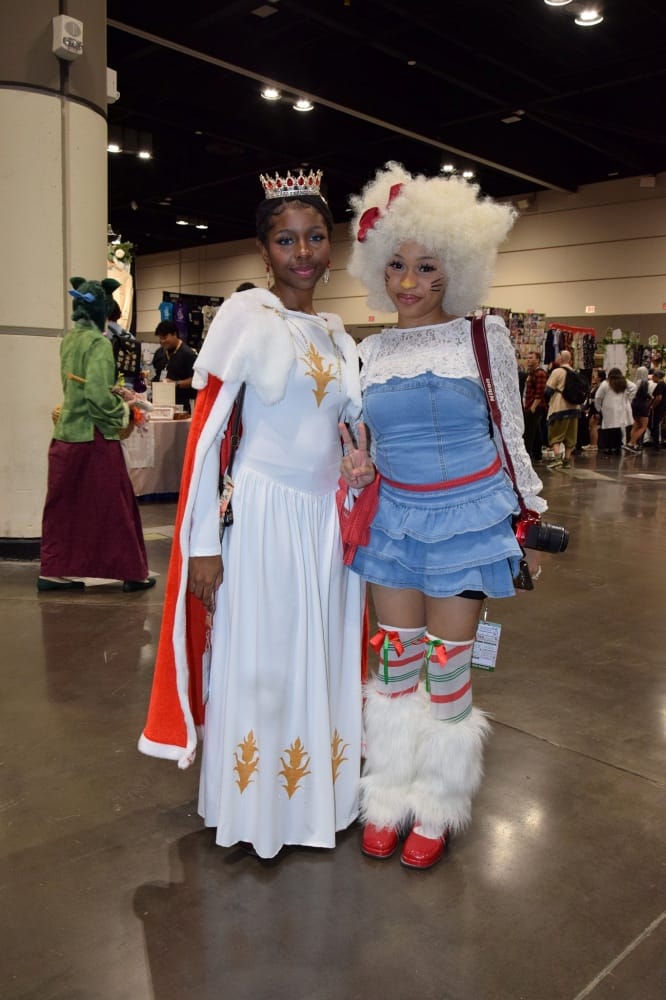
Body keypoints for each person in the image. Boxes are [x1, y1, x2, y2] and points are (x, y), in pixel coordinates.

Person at [138, 169, 365, 860]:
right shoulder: (247, 318)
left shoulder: (340, 336)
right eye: (286, 240)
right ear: (264, 251)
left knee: (320, 654)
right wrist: (203, 542)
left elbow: (348, 434)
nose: (303, 252)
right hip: (265, 517)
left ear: (331, 246)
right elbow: (209, 437)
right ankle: (258, 812)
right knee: (265, 664)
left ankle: (318, 802)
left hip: (325, 524)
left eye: (315, 237)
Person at [339, 162, 547, 870]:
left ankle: (438, 801)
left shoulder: (482, 338)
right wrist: (357, 466)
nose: (408, 281)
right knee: (396, 665)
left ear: (453, 270)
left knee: (448, 667)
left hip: (468, 518)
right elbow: (361, 443)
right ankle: (387, 793)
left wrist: (529, 515)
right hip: (392, 521)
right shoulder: (366, 352)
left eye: (426, 266)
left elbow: (511, 431)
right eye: (395, 265)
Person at [38, 276, 155, 593]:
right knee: (115, 506)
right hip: (95, 439)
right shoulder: (99, 345)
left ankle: (53, 570)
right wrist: (124, 411)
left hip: (65, 435)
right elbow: (97, 397)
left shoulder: (69, 340)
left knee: (63, 506)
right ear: (102, 310)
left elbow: (79, 388)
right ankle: (131, 572)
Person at [544, 351, 583, 470]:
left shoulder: (557, 372)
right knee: (571, 436)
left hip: (559, 407)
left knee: (555, 434)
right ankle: (567, 460)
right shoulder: (575, 372)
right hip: (575, 408)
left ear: (561, 359)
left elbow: (548, 390)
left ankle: (557, 459)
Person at [152, 320, 198, 412]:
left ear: (175, 334)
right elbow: (157, 373)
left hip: (181, 404)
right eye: (160, 338)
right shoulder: (159, 353)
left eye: (165, 337)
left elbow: (195, 380)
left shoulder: (188, 354)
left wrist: (175, 384)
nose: (162, 341)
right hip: (160, 402)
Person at [595, 367, 635, 454]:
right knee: (618, 428)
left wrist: (598, 408)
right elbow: (634, 387)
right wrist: (628, 399)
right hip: (620, 408)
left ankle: (609, 448)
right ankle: (617, 447)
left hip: (608, 408)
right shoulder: (624, 382)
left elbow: (598, 397)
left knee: (608, 429)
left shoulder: (606, 384)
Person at [522, 351, 548, 464]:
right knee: (535, 431)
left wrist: (533, 407)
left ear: (537, 360)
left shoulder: (540, 373)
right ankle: (537, 454)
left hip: (535, 406)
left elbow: (540, 392)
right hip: (529, 404)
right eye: (527, 357)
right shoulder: (531, 373)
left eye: (531, 357)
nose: (528, 359)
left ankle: (528, 453)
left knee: (530, 431)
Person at [624, 366, 651, 453]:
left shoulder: (634, 382)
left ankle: (633, 444)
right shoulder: (645, 383)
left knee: (636, 425)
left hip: (634, 405)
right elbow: (645, 395)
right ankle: (631, 443)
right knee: (643, 426)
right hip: (642, 405)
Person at [581, 368, 606, 451]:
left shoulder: (601, 387)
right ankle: (592, 443)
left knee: (594, 426)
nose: (593, 378)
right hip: (593, 408)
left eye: (595, 376)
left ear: (600, 377)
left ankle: (594, 444)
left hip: (596, 409)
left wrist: (597, 411)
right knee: (591, 426)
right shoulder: (597, 386)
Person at [648, 370, 666, 449]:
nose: (652, 377)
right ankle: (655, 442)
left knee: (655, 424)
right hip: (661, 407)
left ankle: (656, 444)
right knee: (654, 424)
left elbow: (659, 397)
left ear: (657, 376)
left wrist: (652, 406)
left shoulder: (660, 385)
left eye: (653, 376)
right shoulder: (662, 384)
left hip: (659, 408)